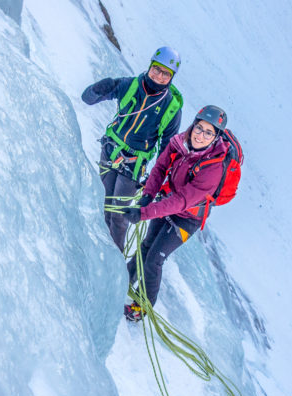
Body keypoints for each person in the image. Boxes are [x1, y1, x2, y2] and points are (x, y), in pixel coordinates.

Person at [120, 105, 230, 320]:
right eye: (199, 128)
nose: (201, 135)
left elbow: (182, 201)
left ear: (216, 137)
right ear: (193, 125)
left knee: (154, 260)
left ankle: (142, 306)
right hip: (166, 202)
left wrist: (144, 213)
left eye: (209, 132)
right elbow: (160, 168)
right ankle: (121, 281)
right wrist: (146, 198)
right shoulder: (180, 143)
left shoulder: (214, 168)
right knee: (145, 247)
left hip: (188, 218)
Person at [81, 47, 183, 252]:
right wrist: (98, 89)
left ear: (171, 78)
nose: (159, 76)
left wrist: (155, 181)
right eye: (157, 69)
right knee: (103, 204)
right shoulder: (129, 85)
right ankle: (95, 252)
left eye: (166, 73)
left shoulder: (170, 108)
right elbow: (88, 99)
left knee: (119, 217)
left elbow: (167, 150)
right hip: (110, 152)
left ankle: (113, 262)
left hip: (134, 165)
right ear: (150, 66)